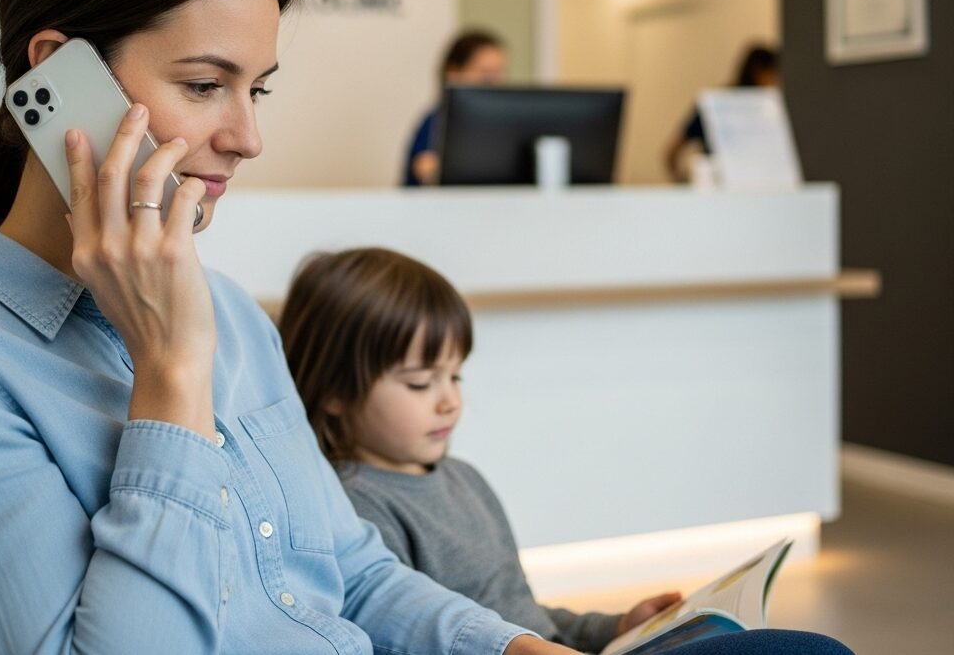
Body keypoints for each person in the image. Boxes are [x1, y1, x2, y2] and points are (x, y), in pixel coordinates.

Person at [0, 0, 573, 655]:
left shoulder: (230, 313)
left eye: (255, 90)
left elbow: (355, 574)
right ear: (61, 79)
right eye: (204, 85)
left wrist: (518, 648)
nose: (246, 136)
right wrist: (170, 374)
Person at [279, 247, 853, 655]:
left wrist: (614, 628)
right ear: (333, 391)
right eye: (420, 382)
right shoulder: (358, 510)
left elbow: (527, 616)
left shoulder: (463, 479)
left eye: (456, 377)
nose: (449, 402)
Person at [403, 28, 507, 186]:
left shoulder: (503, 124)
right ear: (453, 73)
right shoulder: (437, 120)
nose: (493, 82)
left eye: (498, 73)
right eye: (485, 73)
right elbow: (424, 169)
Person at [664, 45, 780, 183]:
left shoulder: (770, 110)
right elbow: (672, 150)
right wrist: (682, 185)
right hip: (719, 190)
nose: (776, 83)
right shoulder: (719, 105)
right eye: (773, 75)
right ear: (758, 71)